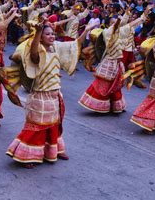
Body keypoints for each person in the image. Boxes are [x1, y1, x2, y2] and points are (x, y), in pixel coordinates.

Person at [6, 22, 94, 168]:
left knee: (54, 125)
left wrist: (86, 30)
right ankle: (25, 154)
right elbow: (33, 55)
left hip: (55, 93)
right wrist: (38, 33)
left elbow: (74, 44)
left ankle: (54, 150)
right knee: (37, 127)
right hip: (40, 95)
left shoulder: (56, 48)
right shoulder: (37, 50)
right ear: (40, 37)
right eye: (47, 34)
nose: (51, 36)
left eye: (52, 33)